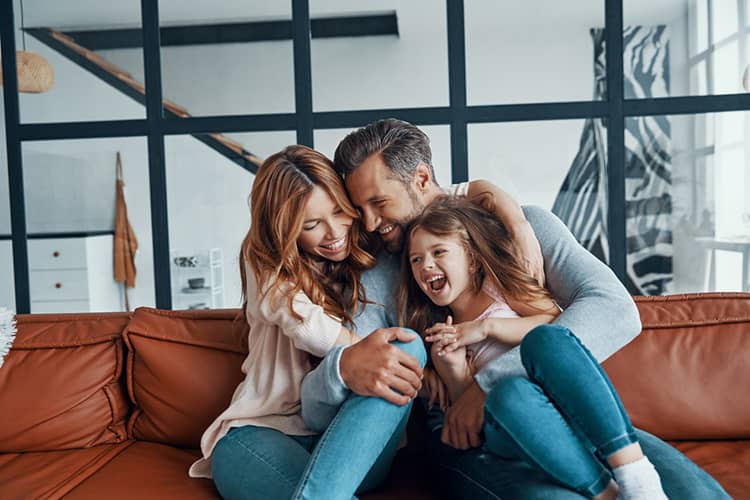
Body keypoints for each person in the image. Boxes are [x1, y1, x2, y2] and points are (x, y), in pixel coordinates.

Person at [300, 118, 729, 499]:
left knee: (686, 489)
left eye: (379, 203)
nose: (371, 224)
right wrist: (348, 368)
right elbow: (354, 374)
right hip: (468, 442)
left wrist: (486, 385)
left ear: (422, 178)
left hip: (559, 411)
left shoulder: (523, 229)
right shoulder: (378, 276)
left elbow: (615, 311)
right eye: (361, 210)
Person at [188, 145, 426, 500]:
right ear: (285, 230)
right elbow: (307, 326)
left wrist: (487, 193)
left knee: (406, 345)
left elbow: (430, 199)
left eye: (339, 211)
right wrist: (352, 356)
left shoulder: (373, 246)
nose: (334, 233)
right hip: (263, 431)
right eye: (312, 225)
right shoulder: (265, 261)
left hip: (353, 442)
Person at [400, 196, 668, 500]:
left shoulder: (499, 290)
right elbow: (467, 415)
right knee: (509, 396)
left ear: (472, 259)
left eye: (438, 252)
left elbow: (556, 327)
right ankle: (608, 495)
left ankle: (630, 480)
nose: (426, 266)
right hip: (507, 428)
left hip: (554, 409)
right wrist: (454, 370)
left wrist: (487, 327)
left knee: (539, 356)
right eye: (416, 260)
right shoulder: (438, 333)